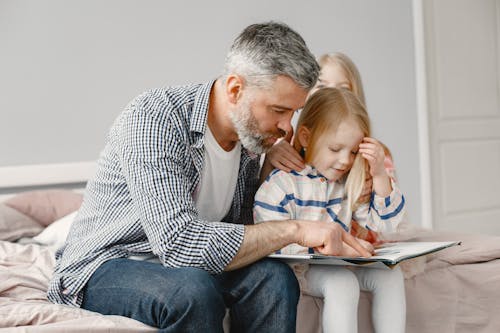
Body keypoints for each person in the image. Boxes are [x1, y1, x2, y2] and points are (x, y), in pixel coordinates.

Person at [47, 22, 372, 332]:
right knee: (191, 291)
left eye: (293, 112)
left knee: (274, 279)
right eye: (278, 110)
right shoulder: (155, 119)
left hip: (193, 269)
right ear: (235, 89)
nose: (287, 126)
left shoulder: (252, 141)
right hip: (107, 263)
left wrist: (267, 176)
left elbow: (242, 236)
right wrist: (296, 230)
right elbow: (178, 244)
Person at [254, 87, 407, 333]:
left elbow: (385, 226)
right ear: (305, 137)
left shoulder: (346, 183)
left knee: (391, 275)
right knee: (342, 283)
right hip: (299, 270)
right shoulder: (281, 185)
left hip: (337, 263)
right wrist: (338, 249)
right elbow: (269, 243)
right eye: (336, 149)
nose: (346, 161)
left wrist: (379, 174)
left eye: (353, 152)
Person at [261, 52, 397, 242]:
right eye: (322, 86)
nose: (332, 94)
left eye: (344, 88)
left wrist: (377, 178)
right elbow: (265, 214)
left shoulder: (367, 161)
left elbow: (385, 225)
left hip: (358, 245)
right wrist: (270, 158)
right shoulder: (286, 155)